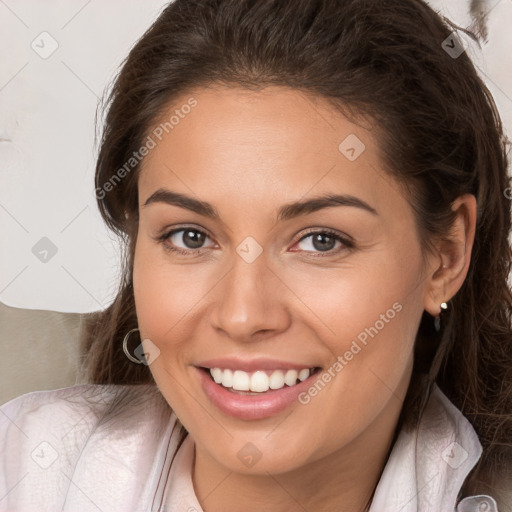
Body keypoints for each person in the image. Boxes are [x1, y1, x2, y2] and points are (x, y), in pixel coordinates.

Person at [1, 0, 512, 510]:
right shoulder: (23, 470)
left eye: (321, 241)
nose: (243, 316)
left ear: (445, 256)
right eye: (191, 237)